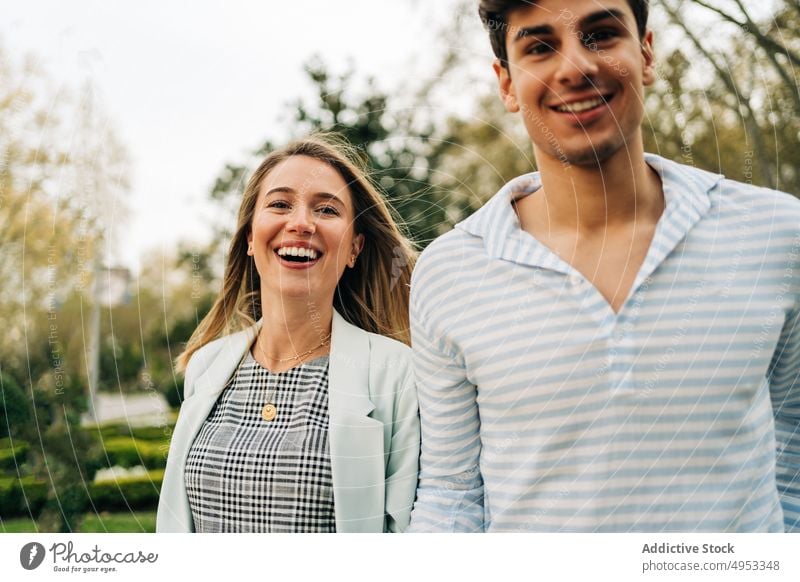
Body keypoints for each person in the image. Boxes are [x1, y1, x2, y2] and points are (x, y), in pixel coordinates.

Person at [408, 0, 800, 532]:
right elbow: (451, 496)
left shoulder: (777, 235)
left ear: (646, 54)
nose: (575, 68)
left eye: (599, 34)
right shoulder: (449, 274)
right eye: (540, 47)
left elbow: (793, 461)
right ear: (505, 84)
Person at [157, 134, 419, 533]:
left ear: (354, 248)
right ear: (249, 237)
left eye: (327, 209)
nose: (300, 223)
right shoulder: (207, 366)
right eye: (279, 204)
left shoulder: (398, 374)